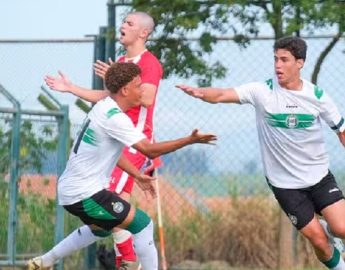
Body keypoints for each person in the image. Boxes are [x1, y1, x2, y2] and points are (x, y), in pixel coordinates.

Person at [176, 36, 345, 270]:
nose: (278, 65)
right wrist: (200, 92)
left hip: (318, 177)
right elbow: (223, 94)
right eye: (275, 59)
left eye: (284, 60)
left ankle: (329, 230)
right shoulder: (261, 91)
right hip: (285, 185)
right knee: (318, 240)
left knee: (341, 229)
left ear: (300, 63)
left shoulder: (317, 97)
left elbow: (342, 132)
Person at [27, 62, 217, 270]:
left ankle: (43, 262)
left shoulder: (104, 107)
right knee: (143, 224)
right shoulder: (115, 118)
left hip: (76, 190)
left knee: (101, 230)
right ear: (125, 90)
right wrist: (190, 140)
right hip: (85, 194)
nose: (142, 89)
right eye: (138, 85)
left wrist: (137, 174)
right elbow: (149, 150)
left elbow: (112, 154)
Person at [41, 11, 163, 268]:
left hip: (132, 143)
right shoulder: (121, 61)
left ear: (143, 33)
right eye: (123, 22)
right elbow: (107, 97)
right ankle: (46, 260)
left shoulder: (149, 63)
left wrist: (121, 80)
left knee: (112, 202)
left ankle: (128, 262)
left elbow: (148, 98)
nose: (123, 26)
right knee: (104, 224)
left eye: (129, 23)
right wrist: (71, 88)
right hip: (115, 140)